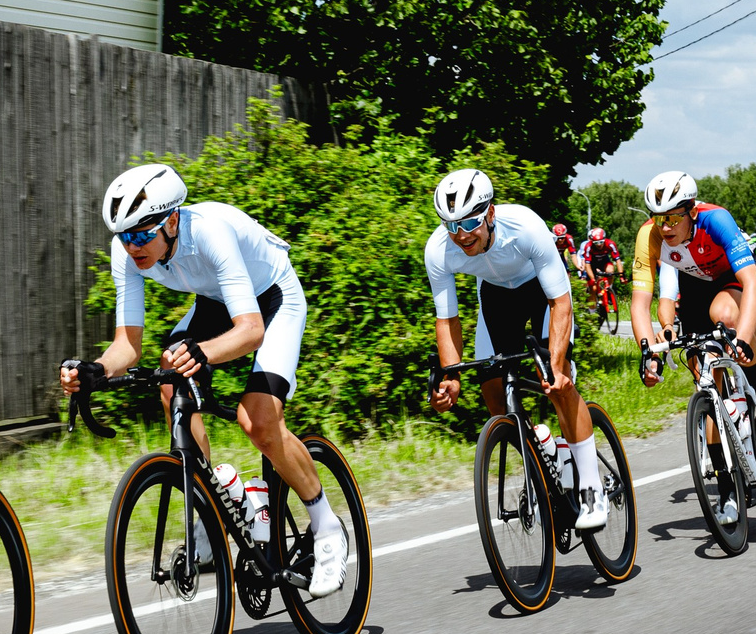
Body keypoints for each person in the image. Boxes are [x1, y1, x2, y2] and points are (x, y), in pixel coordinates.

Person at [60, 163, 353, 595]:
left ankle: (328, 527)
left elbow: (252, 330)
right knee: (168, 376)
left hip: (274, 299)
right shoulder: (127, 252)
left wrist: (203, 352)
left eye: (142, 234)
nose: (132, 246)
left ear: (172, 220)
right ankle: (214, 508)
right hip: (218, 302)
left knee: (257, 421)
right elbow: (128, 345)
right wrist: (96, 370)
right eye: (124, 236)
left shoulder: (210, 233)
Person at [425, 171, 608, 531]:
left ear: (490, 214)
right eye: (451, 224)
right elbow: (447, 320)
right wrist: (451, 377)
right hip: (496, 297)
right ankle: (541, 458)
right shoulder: (439, 250)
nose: (462, 234)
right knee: (494, 393)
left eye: (471, 222)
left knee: (556, 381)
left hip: (542, 292)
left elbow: (560, 303)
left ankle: (591, 488)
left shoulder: (525, 226)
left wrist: (557, 363)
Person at [628, 171, 756, 456]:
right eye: (658, 218)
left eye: (673, 218)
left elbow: (752, 283)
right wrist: (649, 353)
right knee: (704, 377)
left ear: (691, 210)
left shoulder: (715, 219)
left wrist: (742, 337)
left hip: (733, 276)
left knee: (726, 316)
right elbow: (640, 302)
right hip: (695, 287)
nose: (665, 227)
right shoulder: (648, 235)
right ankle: (725, 483)